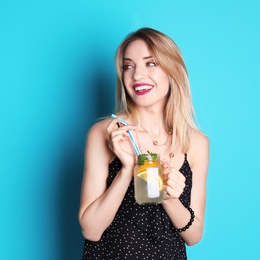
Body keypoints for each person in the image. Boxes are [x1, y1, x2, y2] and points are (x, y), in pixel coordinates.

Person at [78, 27, 209, 259]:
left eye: (151, 63)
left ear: (172, 70)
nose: (137, 75)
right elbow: (91, 230)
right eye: (128, 66)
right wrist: (127, 169)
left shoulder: (195, 143)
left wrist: (169, 198)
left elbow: (194, 235)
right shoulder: (105, 134)